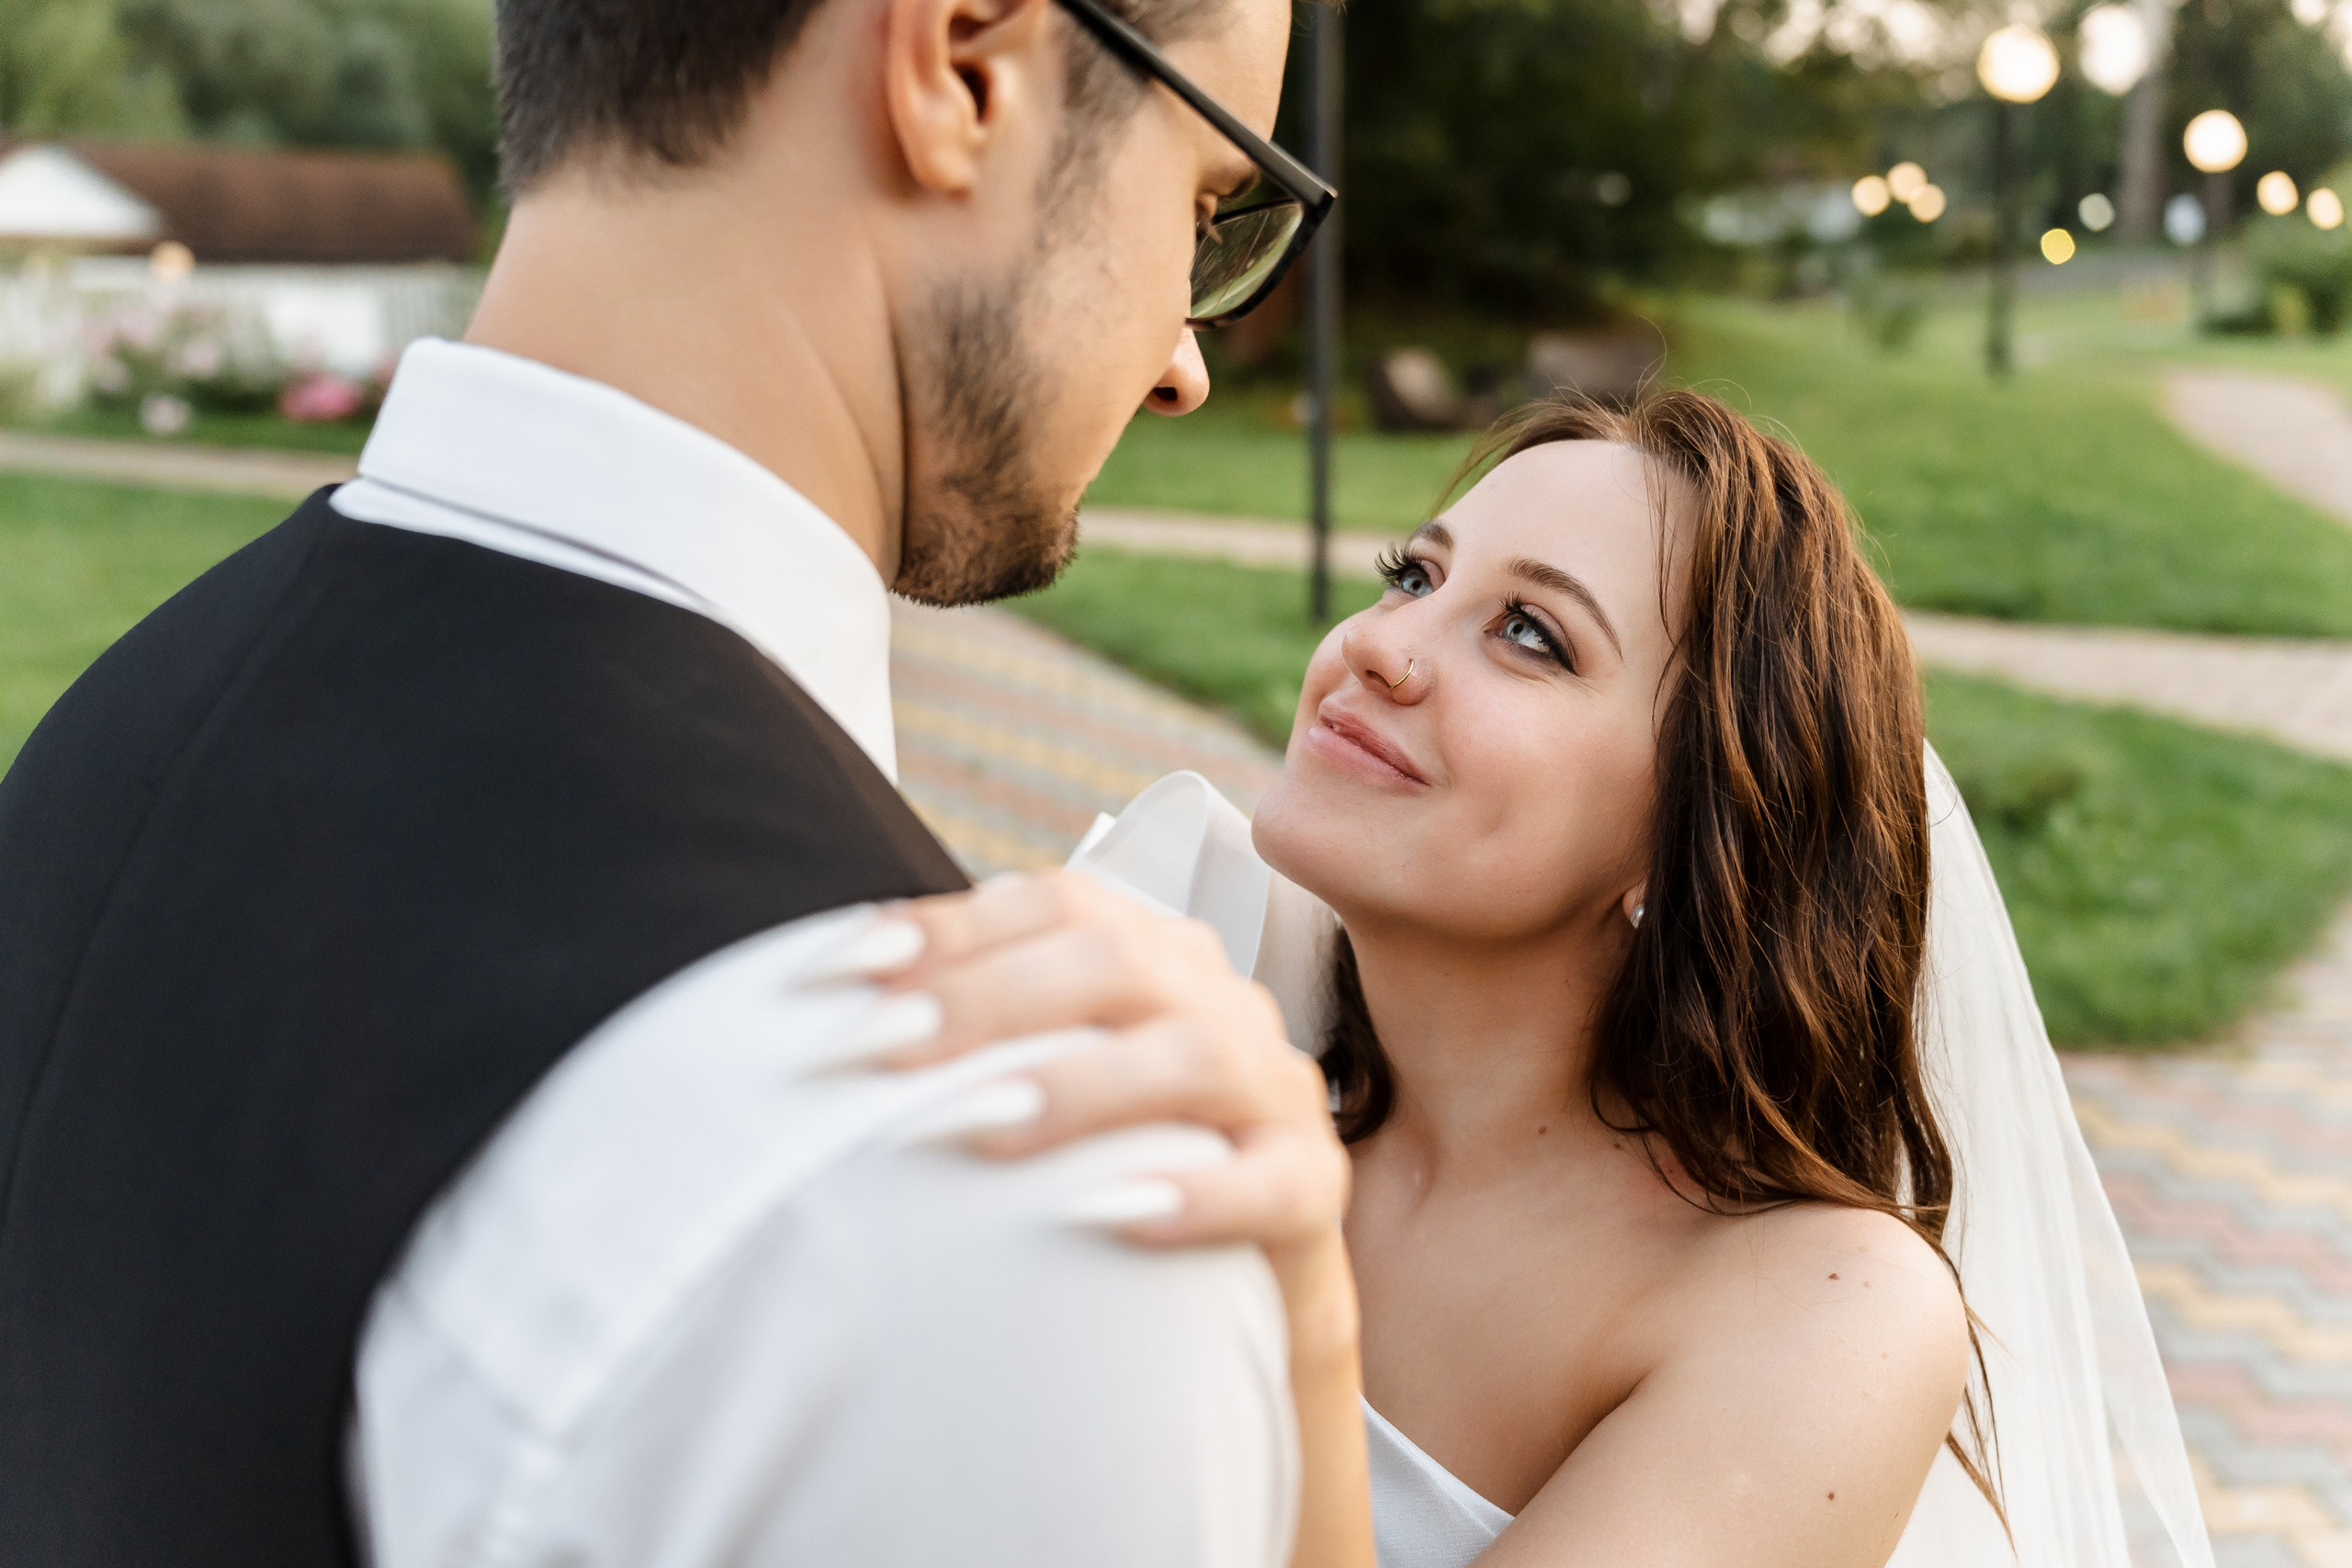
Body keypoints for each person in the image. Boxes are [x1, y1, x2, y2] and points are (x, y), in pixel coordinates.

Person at [0, 0, 1362, 1563]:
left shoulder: (110, 735)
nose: (1185, 360)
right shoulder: (988, 1190)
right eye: (1206, 200)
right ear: (960, 64)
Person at [1028, 389, 2218, 1566]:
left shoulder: (1817, 1313)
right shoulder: (1199, 978)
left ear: (1692, 831)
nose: (1377, 645)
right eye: (1413, 577)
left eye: (1530, 634)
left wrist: (1281, 1296)